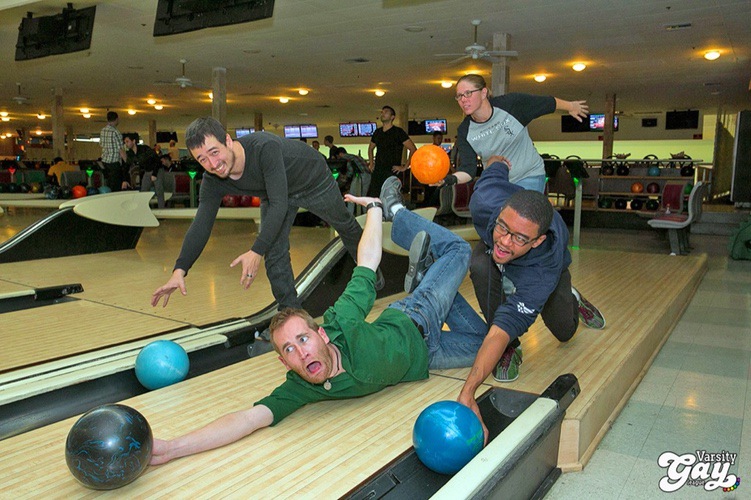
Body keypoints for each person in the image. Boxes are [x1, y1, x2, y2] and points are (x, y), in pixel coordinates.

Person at [149, 177, 488, 465]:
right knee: (495, 347)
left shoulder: (343, 320)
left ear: (322, 335)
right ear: (284, 363)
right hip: (427, 357)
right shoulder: (301, 387)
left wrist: (375, 209)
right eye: (289, 349)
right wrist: (172, 448)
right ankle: (428, 273)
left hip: (417, 315)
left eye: (303, 339)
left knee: (458, 251)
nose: (302, 352)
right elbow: (248, 419)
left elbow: (367, 263)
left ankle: (397, 212)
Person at [150, 117, 377, 312]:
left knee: (344, 225)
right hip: (273, 191)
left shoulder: (264, 148)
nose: (213, 164)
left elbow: (279, 205)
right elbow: (201, 225)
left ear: (228, 140)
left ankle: (373, 277)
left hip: (312, 180)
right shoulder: (213, 180)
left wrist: (256, 250)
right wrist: (180, 270)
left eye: (214, 152)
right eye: (202, 159)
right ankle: (291, 314)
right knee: (275, 252)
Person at [457, 158, 605, 430]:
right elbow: (494, 171)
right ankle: (510, 350)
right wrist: (498, 163)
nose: (504, 241)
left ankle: (572, 298)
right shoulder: (485, 201)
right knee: (480, 264)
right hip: (496, 252)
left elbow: (504, 326)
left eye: (519, 237)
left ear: (537, 240)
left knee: (564, 332)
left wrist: (469, 390)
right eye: (502, 227)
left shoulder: (543, 270)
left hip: (544, 270)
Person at [446, 74, 588, 193]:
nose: (463, 99)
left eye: (468, 93)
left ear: (483, 93)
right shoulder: (465, 131)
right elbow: (468, 170)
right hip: (498, 182)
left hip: (529, 175)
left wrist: (571, 106)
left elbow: (548, 103)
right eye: (459, 96)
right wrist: (449, 179)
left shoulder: (511, 105)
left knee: (520, 215)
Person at [367, 106, 417, 196]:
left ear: (392, 117)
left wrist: (405, 167)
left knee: (390, 197)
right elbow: (370, 148)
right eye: (382, 112)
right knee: (374, 196)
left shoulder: (398, 132)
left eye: (386, 112)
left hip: (392, 171)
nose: (383, 114)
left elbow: (413, 149)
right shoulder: (377, 132)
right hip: (378, 171)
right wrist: (371, 163)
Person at [124, 135, 165, 208]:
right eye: (125, 142)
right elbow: (127, 166)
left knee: (159, 191)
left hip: (157, 169)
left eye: (127, 141)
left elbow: (157, 161)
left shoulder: (144, 149)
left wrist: (154, 174)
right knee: (143, 191)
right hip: (147, 171)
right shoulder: (130, 153)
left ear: (133, 141)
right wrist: (125, 180)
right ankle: (143, 209)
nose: (126, 144)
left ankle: (162, 210)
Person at [336, 147, 371, 215]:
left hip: (359, 177)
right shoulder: (356, 157)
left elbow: (350, 172)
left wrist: (344, 178)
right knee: (363, 196)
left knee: (351, 196)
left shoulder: (348, 159)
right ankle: (366, 215)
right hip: (368, 176)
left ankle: (349, 215)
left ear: (340, 154)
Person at [100, 111, 128, 192]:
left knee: (109, 184)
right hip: (114, 162)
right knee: (116, 187)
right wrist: (127, 161)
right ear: (116, 119)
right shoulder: (116, 132)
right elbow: (121, 149)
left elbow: (101, 144)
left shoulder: (102, 131)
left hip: (105, 162)